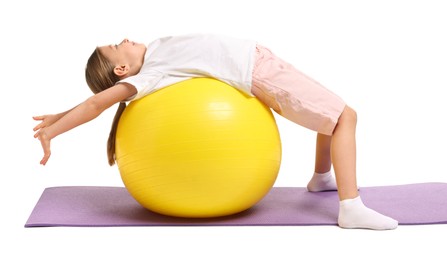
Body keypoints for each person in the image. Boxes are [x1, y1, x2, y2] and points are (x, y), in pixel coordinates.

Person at [33, 33, 398, 230]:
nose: (124, 36)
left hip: (263, 63)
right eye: (116, 46)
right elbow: (99, 104)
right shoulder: (151, 76)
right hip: (261, 74)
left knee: (330, 115)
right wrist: (57, 131)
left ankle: (321, 179)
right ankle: (350, 207)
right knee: (344, 116)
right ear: (122, 70)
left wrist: (57, 115)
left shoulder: (155, 57)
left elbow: (95, 99)